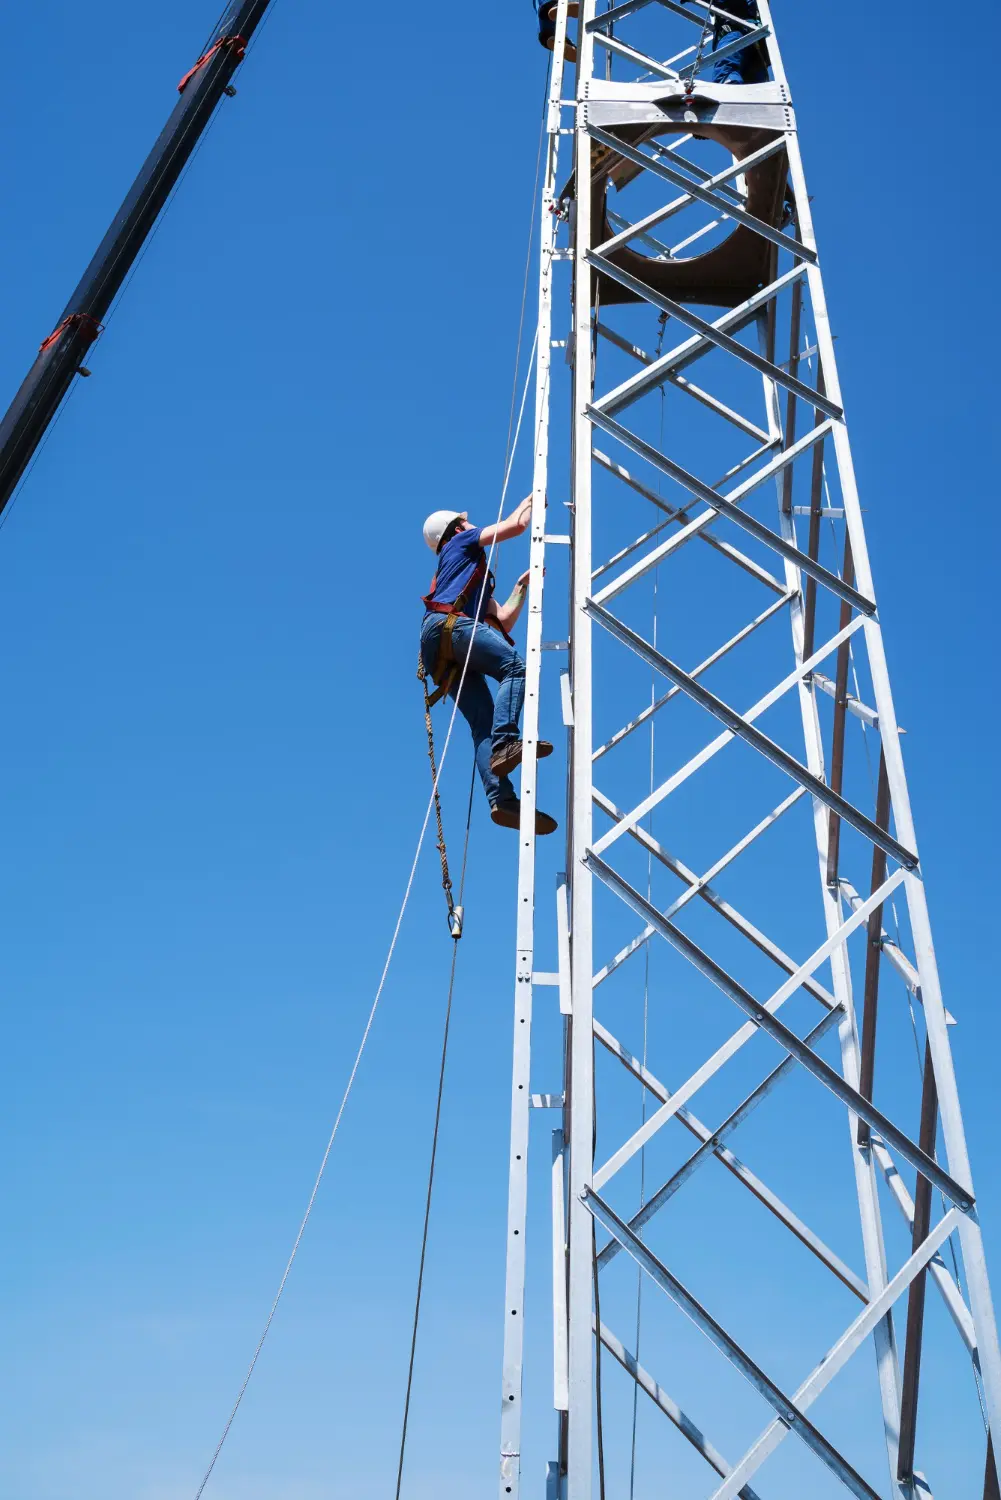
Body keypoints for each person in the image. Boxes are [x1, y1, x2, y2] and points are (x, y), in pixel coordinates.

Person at [420, 501, 558, 835]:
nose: (472, 525)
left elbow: (505, 621)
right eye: (466, 523)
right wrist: (532, 500)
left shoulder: (467, 578)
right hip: (452, 628)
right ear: (455, 529)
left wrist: (521, 588)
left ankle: (502, 800)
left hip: (439, 644)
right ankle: (506, 743)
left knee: (483, 719)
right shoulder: (461, 542)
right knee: (514, 667)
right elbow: (516, 526)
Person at [711, 0, 770, 85]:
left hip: (736, 32)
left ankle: (728, 85)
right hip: (755, 40)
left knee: (727, 65)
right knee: (754, 82)